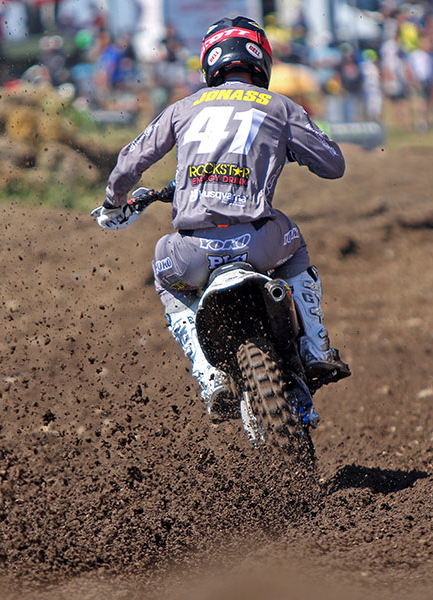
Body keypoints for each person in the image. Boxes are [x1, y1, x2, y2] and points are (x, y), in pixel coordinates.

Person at [91, 16, 351, 419]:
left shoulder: (183, 108)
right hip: (259, 246)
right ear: (261, 60)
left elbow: (129, 163)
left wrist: (114, 200)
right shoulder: (280, 107)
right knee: (295, 241)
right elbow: (333, 164)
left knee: (164, 274)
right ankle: (316, 348)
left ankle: (208, 374)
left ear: (209, 63)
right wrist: (296, 150)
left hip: (192, 255)